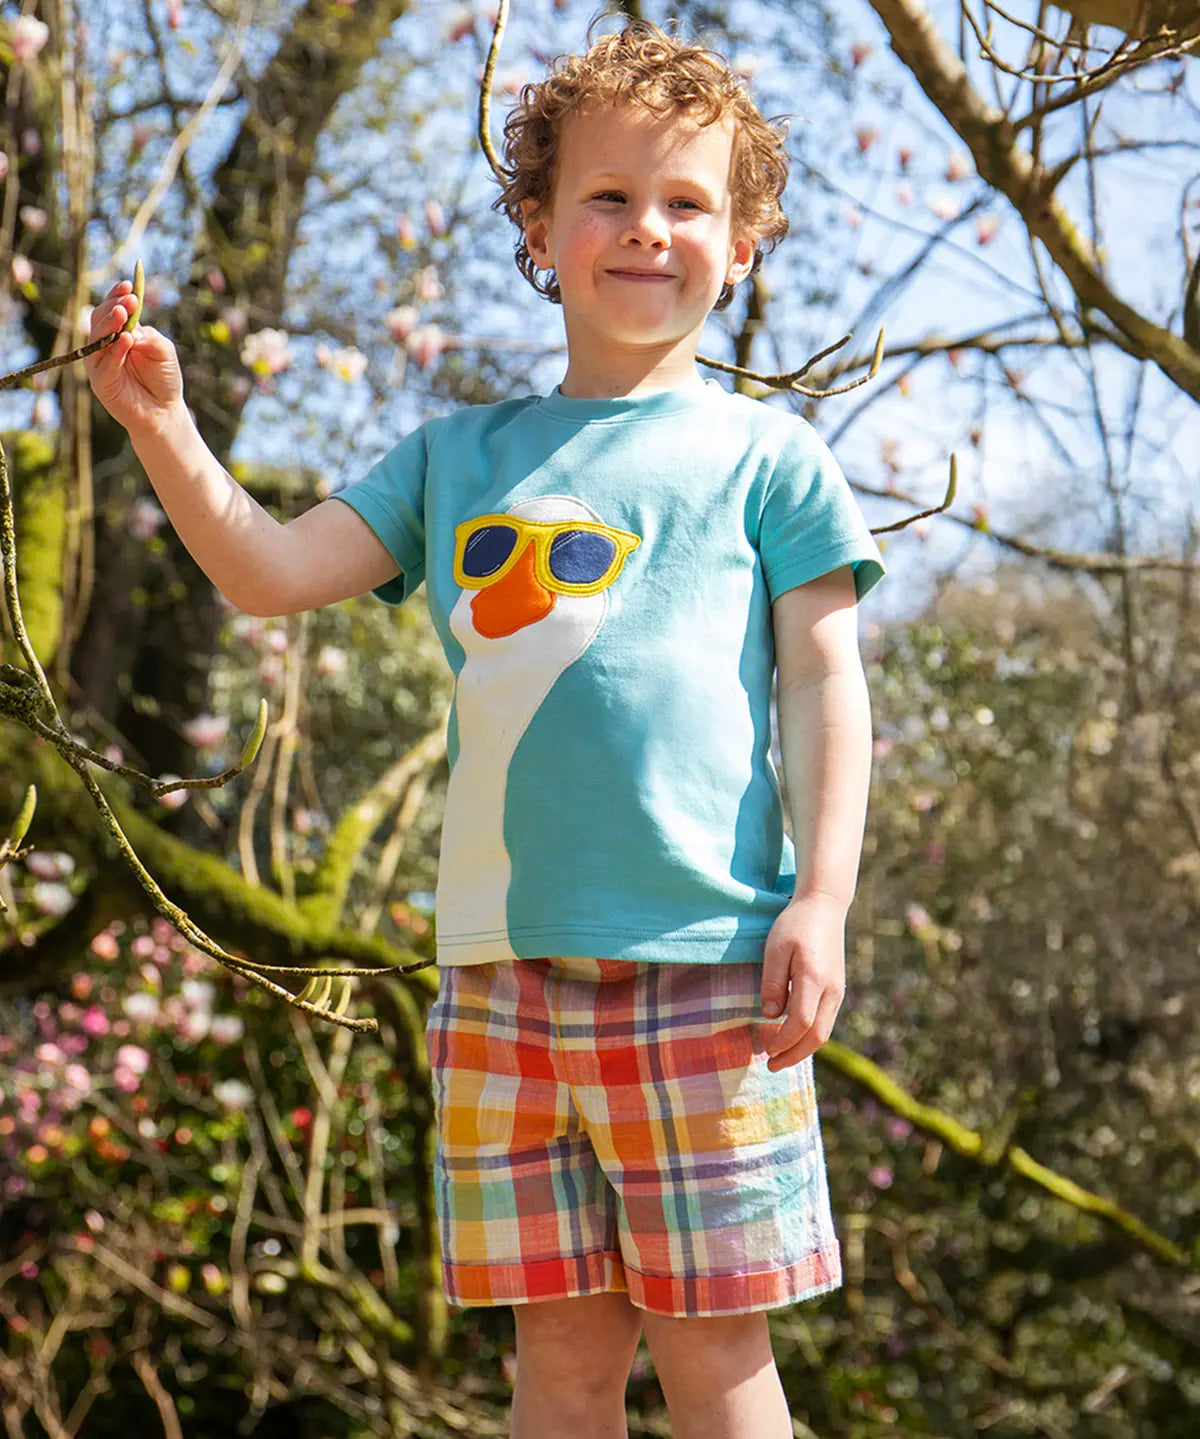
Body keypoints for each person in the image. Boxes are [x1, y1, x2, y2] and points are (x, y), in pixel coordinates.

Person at [87, 19, 884, 1439]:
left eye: (690, 203)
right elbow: (266, 574)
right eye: (610, 196)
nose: (649, 230)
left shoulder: (768, 459)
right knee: (560, 1369)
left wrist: (821, 900)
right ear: (538, 225)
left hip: (706, 972)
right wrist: (165, 428)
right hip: (501, 984)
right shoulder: (459, 457)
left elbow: (826, 684)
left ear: (744, 242)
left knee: (717, 1365)